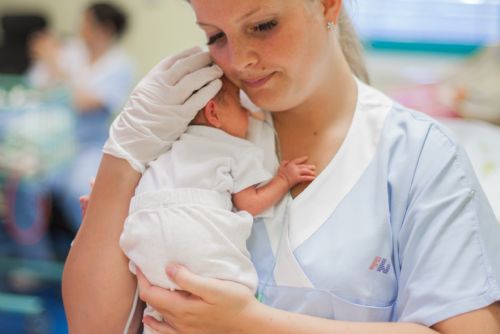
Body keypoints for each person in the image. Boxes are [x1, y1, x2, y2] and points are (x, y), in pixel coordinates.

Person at [63, 0, 500, 333]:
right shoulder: (191, 132)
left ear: (328, 4)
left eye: (263, 26)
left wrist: (251, 323)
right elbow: (94, 325)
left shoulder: (418, 156)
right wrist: (123, 156)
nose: (239, 60)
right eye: (215, 36)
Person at [119, 76, 316, 332]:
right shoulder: (234, 148)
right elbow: (250, 204)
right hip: (194, 227)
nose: (249, 114)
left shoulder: (172, 145)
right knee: (224, 293)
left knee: (163, 310)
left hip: (144, 230)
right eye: (241, 106)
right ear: (213, 112)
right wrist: (283, 179)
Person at [25, 1, 134, 232]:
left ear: (105, 29)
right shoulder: (71, 52)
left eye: (86, 23)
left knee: (79, 192)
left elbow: (85, 103)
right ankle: (34, 257)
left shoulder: (119, 65)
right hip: (50, 144)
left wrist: (55, 64)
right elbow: (34, 88)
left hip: (88, 148)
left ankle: (85, 249)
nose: (79, 28)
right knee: (25, 187)